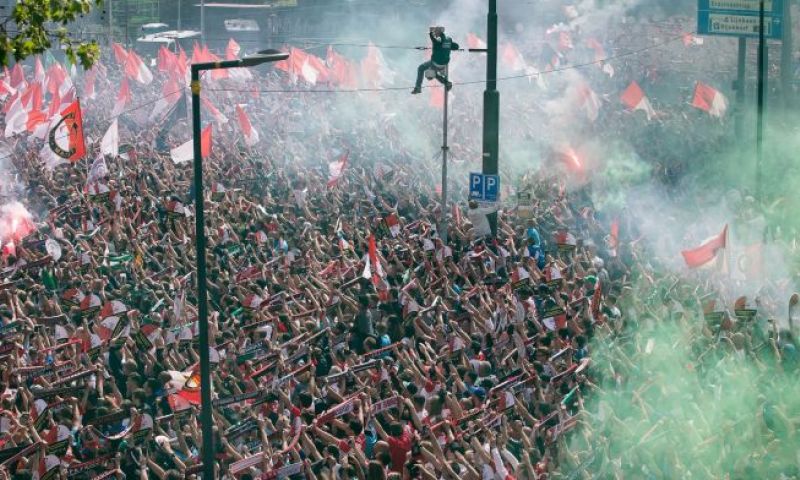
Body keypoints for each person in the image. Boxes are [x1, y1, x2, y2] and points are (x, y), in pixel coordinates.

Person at [412, 26, 459, 95]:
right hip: (444, 64)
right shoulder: (448, 40)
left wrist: (431, 33)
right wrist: (448, 47)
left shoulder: (437, 42)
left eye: (435, 33)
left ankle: (418, 88)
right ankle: (446, 83)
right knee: (433, 73)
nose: (435, 34)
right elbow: (456, 47)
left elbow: (433, 38)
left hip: (435, 63)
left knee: (421, 68)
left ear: (438, 33)